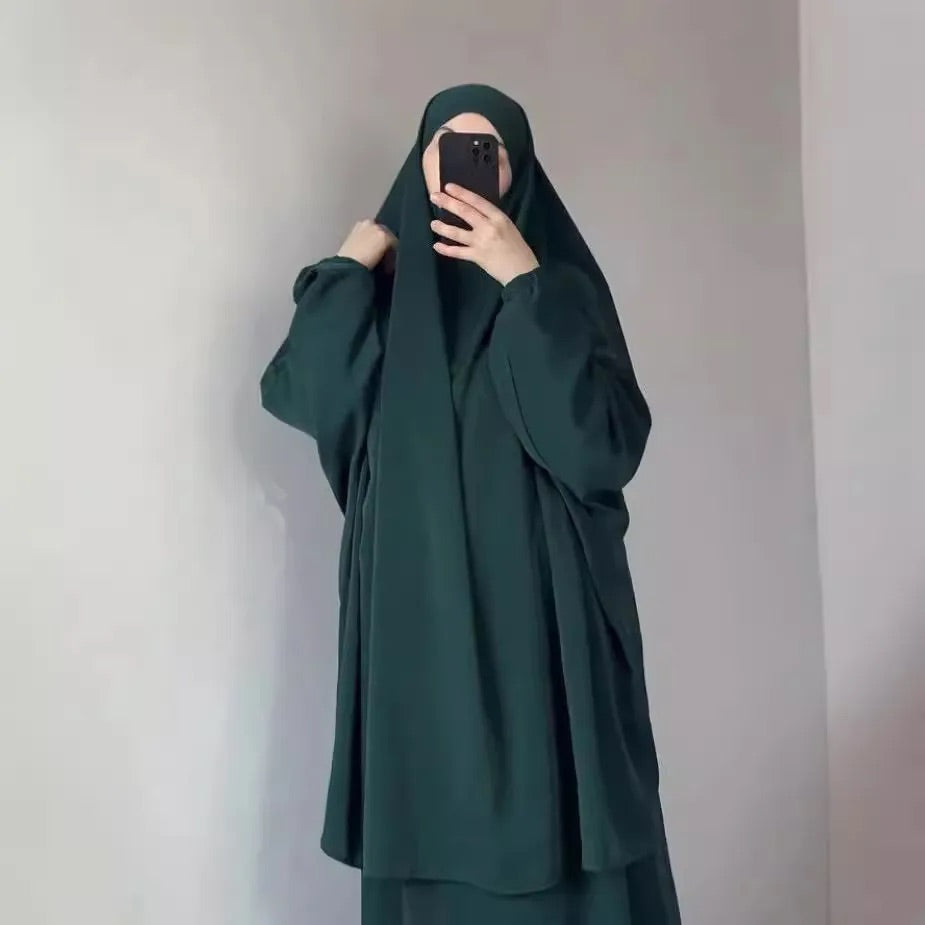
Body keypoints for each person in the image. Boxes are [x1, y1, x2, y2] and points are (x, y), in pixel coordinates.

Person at [260, 84, 682, 925]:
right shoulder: (380, 300)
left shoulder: (557, 290)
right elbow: (302, 390)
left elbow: (601, 448)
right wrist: (347, 266)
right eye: (447, 146)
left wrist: (522, 281)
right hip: (414, 639)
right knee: (430, 839)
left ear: (517, 169)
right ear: (417, 162)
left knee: (560, 844)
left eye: (487, 151)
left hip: (545, 642)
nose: (464, 167)